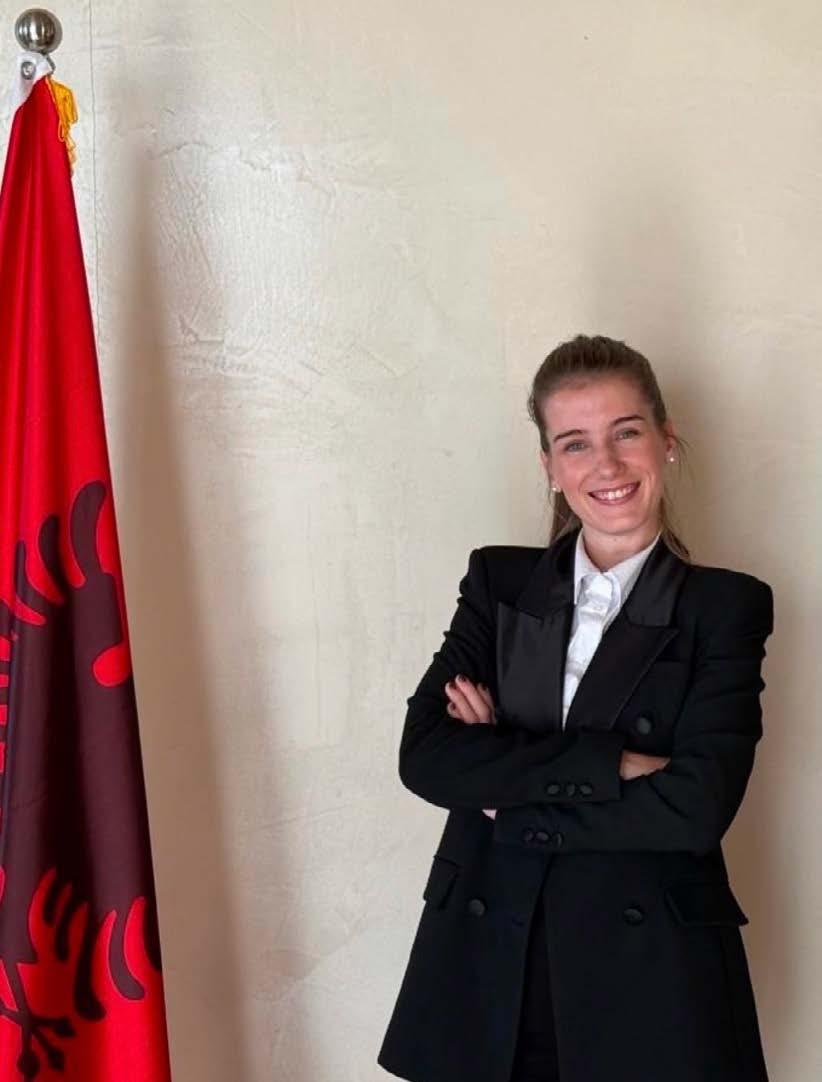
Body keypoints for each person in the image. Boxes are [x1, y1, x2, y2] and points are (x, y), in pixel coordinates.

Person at [377, 334, 775, 1082]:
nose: (607, 465)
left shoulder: (724, 607)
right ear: (550, 468)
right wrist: (615, 765)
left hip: (650, 970)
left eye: (626, 432)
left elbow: (696, 807)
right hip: (490, 954)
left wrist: (504, 788)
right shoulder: (499, 583)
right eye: (576, 444)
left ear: (665, 441)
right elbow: (426, 755)